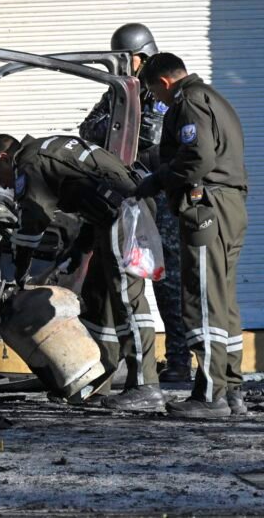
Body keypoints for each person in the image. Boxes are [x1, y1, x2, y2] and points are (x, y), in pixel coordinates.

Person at [0, 132, 165, 412]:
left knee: (127, 298)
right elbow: (89, 188)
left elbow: (34, 218)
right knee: (99, 299)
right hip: (112, 213)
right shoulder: (48, 147)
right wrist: (79, 249)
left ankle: (145, 386)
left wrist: (19, 270)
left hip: (122, 212)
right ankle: (96, 381)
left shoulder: (29, 162)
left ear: (5, 157)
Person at [135, 52, 249, 418]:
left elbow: (197, 158)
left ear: (163, 83)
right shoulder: (216, 99)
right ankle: (231, 391)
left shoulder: (188, 103)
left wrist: (160, 179)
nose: (157, 99)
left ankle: (210, 396)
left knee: (201, 298)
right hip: (229, 205)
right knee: (222, 299)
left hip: (206, 207)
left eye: (154, 92)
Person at [80, 23, 191, 383]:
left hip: (163, 195)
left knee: (169, 282)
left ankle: (178, 361)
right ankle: (136, 359)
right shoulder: (119, 92)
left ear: (142, 55)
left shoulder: (162, 90)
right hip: (131, 195)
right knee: (128, 276)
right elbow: (89, 128)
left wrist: (131, 124)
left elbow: (157, 135)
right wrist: (120, 121)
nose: (123, 67)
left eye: (127, 59)